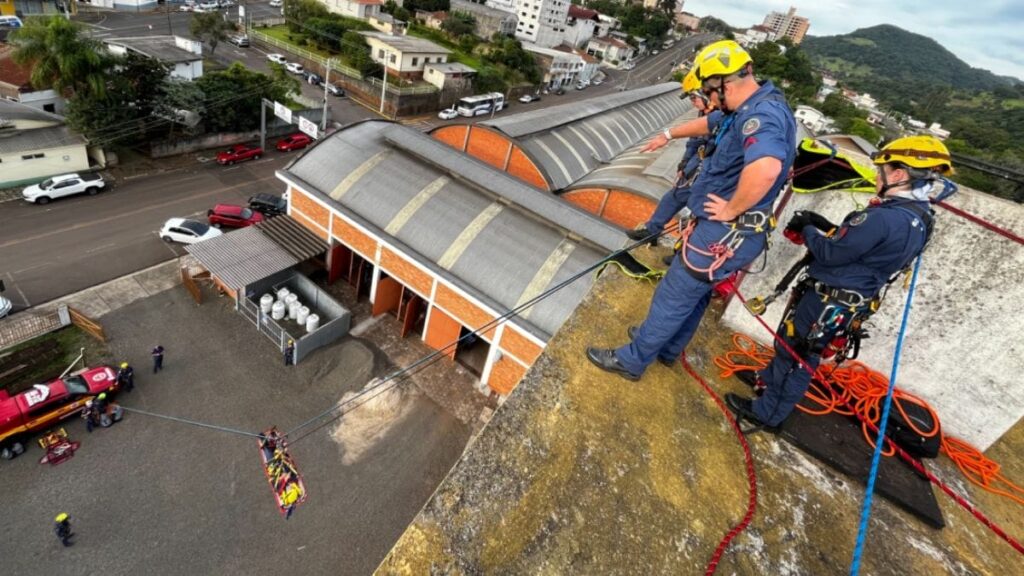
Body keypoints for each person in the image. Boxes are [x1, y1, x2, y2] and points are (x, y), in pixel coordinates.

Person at [587, 40, 797, 381]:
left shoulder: (760, 118)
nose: (711, 103)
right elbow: (712, 123)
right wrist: (668, 134)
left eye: (711, 93)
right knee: (696, 295)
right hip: (735, 234)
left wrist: (731, 209)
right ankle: (667, 348)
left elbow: (767, 168)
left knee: (674, 294)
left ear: (724, 84)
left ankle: (632, 359)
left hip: (723, 233)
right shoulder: (752, 108)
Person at [725, 135, 953, 430]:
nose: (876, 175)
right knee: (790, 346)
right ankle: (767, 381)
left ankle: (767, 413)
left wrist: (808, 229)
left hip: (828, 300)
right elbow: (864, 250)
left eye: (881, 170)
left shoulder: (882, 218)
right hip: (845, 300)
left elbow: (830, 253)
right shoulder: (920, 217)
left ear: (898, 175)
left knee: (797, 358)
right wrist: (822, 225)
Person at [626, 67, 723, 248]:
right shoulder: (705, 114)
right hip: (699, 166)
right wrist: (683, 166)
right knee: (673, 197)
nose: (693, 103)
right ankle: (652, 231)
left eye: (694, 98)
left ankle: (683, 252)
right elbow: (694, 142)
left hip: (713, 172)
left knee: (700, 213)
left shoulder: (723, 118)